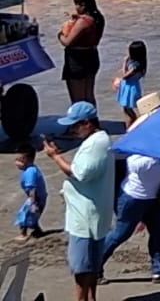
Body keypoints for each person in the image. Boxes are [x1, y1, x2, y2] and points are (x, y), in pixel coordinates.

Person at [100, 94, 160, 283]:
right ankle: (95, 267)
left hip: (155, 196)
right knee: (121, 233)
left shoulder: (157, 137)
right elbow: (138, 165)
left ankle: (159, 270)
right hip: (134, 197)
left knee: (158, 232)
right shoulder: (137, 139)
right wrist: (155, 155)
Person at [44, 101, 114, 301]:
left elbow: (80, 173)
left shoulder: (96, 143)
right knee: (90, 265)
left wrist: (55, 157)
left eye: (75, 126)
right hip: (92, 213)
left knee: (82, 267)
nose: (72, 130)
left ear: (87, 123)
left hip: (85, 217)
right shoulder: (100, 141)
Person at [59, 0, 105, 107]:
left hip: (77, 61)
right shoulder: (98, 18)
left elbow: (67, 42)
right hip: (92, 56)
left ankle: (80, 118)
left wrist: (60, 35)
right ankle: (93, 117)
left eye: (77, 5)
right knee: (89, 95)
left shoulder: (83, 22)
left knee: (77, 99)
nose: (76, 8)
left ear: (83, 5)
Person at [14, 144, 45, 241]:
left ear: (27, 160)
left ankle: (23, 234)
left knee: (24, 214)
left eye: (19, 160)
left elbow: (32, 189)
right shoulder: (30, 169)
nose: (16, 163)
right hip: (37, 197)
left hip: (35, 198)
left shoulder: (30, 172)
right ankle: (37, 230)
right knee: (32, 216)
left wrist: (33, 203)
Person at [112, 40, 146, 125]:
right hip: (128, 86)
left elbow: (125, 75)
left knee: (128, 109)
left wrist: (125, 62)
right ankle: (132, 122)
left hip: (130, 88)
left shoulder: (136, 66)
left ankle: (133, 122)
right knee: (126, 109)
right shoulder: (139, 63)